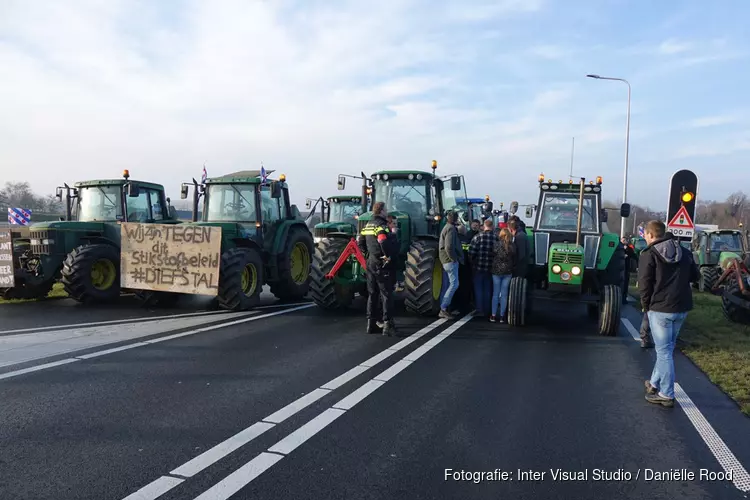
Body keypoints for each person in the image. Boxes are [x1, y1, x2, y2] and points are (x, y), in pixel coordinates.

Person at [638, 220, 699, 408]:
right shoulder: (685, 252)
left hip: (660, 309)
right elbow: (696, 277)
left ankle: (666, 394)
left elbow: (644, 284)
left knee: (663, 352)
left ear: (649, 235)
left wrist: (646, 306)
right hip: (682, 308)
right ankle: (654, 383)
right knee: (666, 349)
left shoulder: (649, 254)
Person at [358, 202, 397, 336]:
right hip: (381, 263)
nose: (387, 212)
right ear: (381, 211)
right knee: (386, 294)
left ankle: (371, 323)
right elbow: (382, 240)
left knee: (372, 294)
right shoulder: (381, 225)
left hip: (370, 263)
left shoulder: (367, 225)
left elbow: (360, 242)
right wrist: (386, 256)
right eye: (385, 210)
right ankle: (387, 324)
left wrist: (367, 254)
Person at [438, 210, 464, 319]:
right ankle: (443, 308)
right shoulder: (451, 229)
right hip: (449, 260)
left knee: (447, 284)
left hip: (445, 260)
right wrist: (453, 258)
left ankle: (445, 307)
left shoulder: (446, 227)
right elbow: (449, 246)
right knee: (454, 284)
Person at [468, 219, 495, 317]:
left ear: (484, 226)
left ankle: (479, 309)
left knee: (478, 289)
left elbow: (471, 253)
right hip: (490, 268)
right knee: (488, 289)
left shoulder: (477, 237)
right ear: (492, 226)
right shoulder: (496, 238)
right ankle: (487, 310)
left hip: (478, 267)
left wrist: (472, 262)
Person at [490, 228, 516, 323]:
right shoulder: (512, 246)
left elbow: (493, 254)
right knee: (504, 294)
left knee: (495, 294)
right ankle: (502, 316)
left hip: (496, 271)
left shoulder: (496, 244)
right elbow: (514, 256)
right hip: (507, 271)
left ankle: (493, 315)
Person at [621, 237, 637, 305]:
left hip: (626, 268)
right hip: (619, 268)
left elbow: (634, 256)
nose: (624, 241)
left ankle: (624, 299)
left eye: (625, 240)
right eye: (623, 240)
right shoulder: (618, 248)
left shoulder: (629, 249)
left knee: (625, 284)